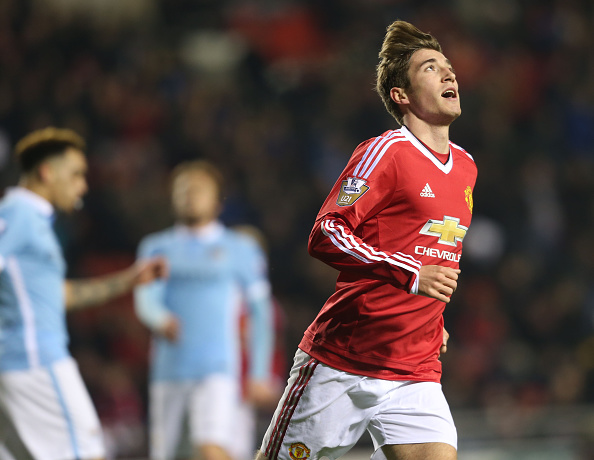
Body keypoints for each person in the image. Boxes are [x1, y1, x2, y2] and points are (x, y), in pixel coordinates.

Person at [256, 20, 477, 460]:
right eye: (432, 68)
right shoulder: (388, 151)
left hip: (416, 369)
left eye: (448, 67)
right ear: (402, 95)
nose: (449, 74)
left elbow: (434, 248)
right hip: (345, 360)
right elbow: (326, 233)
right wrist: (410, 276)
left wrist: (431, 317)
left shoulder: (467, 166)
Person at [0, 127, 167, 460]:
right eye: (76, 174)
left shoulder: (31, 222)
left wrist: (129, 280)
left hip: (14, 365)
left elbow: (60, 295)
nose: (83, 186)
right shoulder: (20, 214)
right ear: (47, 173)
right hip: (37, 361)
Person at [134, 161, 275, 460]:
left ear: (217, 199)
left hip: (218, 369)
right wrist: (159, 318)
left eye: (198, 189)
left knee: (211, 449)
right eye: (181, 190)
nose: (189, 195)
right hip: (168, 370)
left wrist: (259, 371)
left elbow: (261, 312)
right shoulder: (155, 247)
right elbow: (145, 297)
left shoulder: (240, 248)